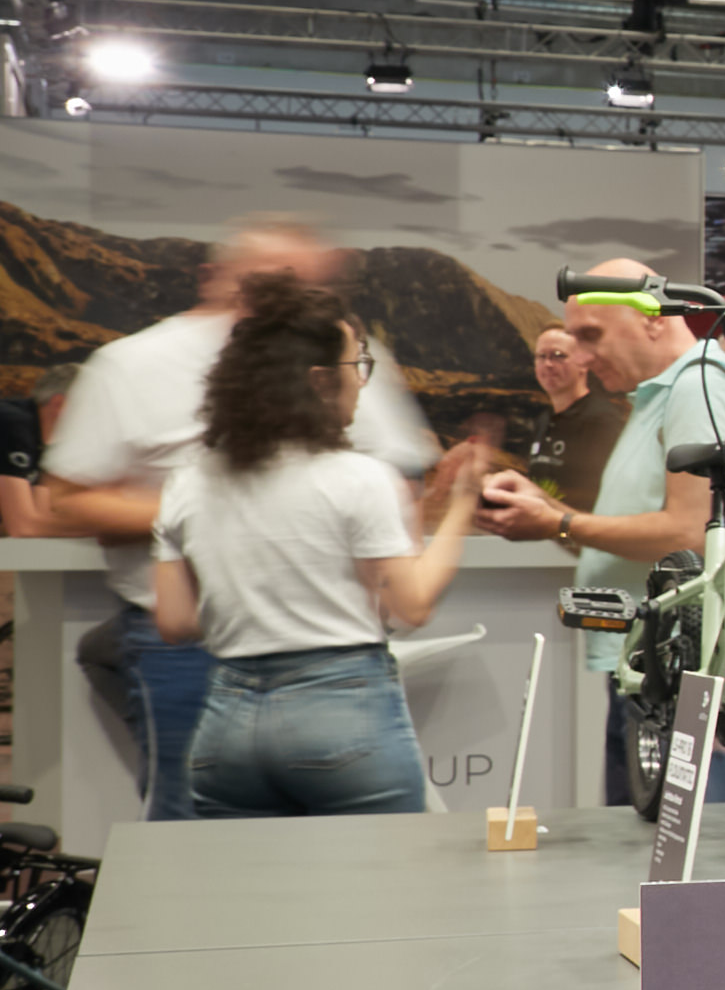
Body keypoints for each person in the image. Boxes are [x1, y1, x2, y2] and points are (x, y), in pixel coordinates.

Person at [38, 215, 436, 817]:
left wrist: (215, 518)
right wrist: (262, 515)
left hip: (226, 667)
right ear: (216, 277)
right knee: (367, 875)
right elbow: (62, 501)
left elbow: (404, 474)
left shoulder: (197, 480)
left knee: (220, 865)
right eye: (277, 282)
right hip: (276, 664)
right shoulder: (132, 364)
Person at [151, 276, 481, 817]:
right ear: (320, 381)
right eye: (357, 367)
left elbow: (176, 620)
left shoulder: (188, 481)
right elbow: (411, 604)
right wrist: (462, 504)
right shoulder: (358, 477)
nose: (361, 383)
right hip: (343, 711)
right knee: (383, 891)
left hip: (227, 723)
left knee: (255, 898)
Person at [470, 258, 725, 799]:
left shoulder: (699, 386)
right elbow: (653, 521)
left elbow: (693, 532)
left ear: (653, 319)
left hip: (679, 670)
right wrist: (549, 517)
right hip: (652, 665)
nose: (580, 357)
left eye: (590, 336)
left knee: (668, 859)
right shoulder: (664, 393)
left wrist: (558, 520)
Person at [522, 323, 627, 507]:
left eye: (558, 356)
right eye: (541, 356)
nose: (548, 364)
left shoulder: (602, 422)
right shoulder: (543, 421)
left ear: (583, 363)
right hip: (545, 534)